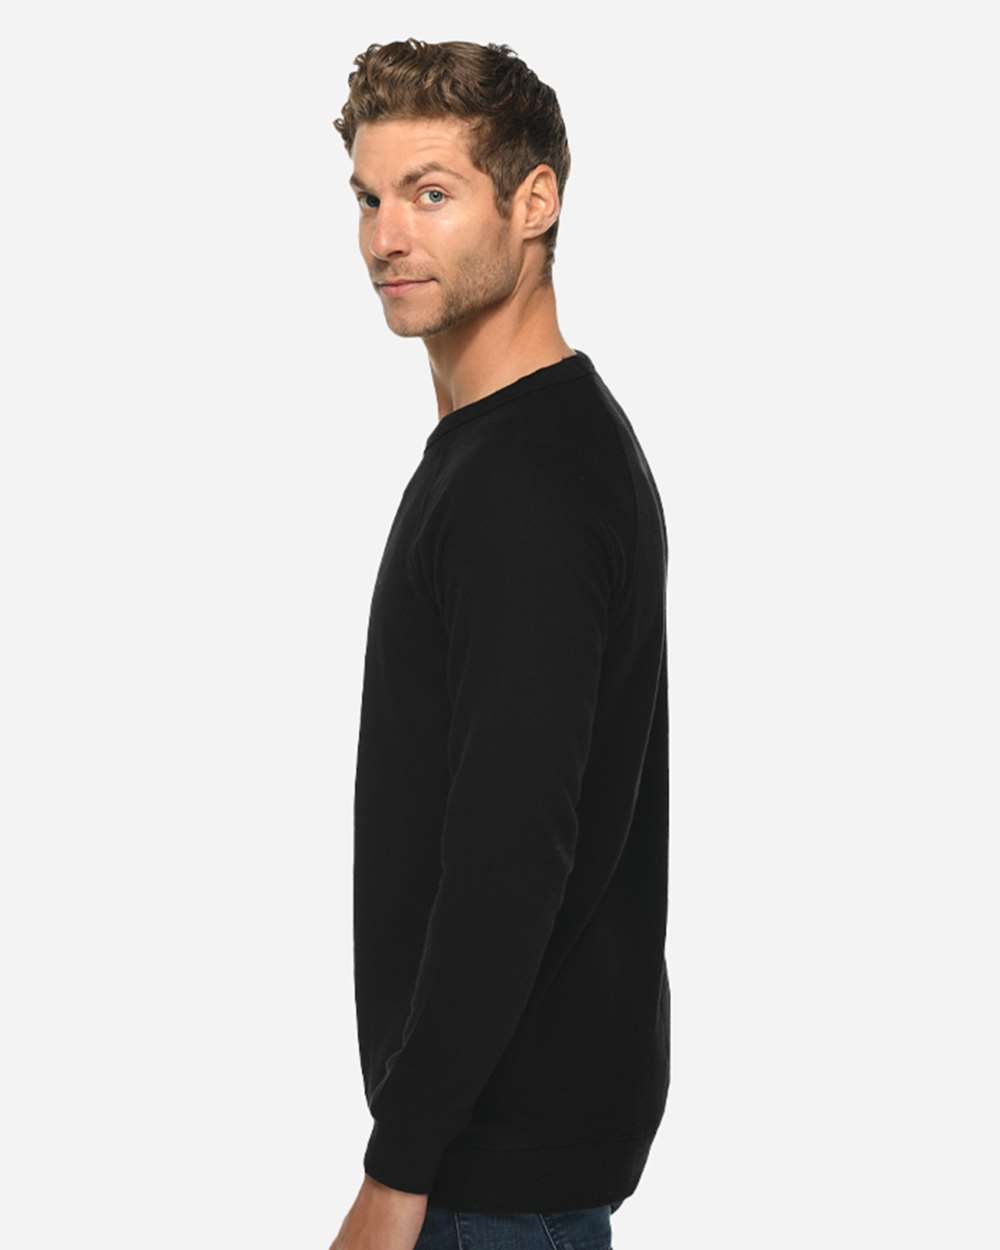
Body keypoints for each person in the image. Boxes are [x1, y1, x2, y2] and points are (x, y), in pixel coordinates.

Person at [328, 38, 670, 1250]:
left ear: (534, 203)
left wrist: (398, 1170)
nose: (386, 237)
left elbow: (514, 851)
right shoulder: (522, 447)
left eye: (430, 193)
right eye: (368, 198)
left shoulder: (523, 484)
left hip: (487, 1183)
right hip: (505, 1161)